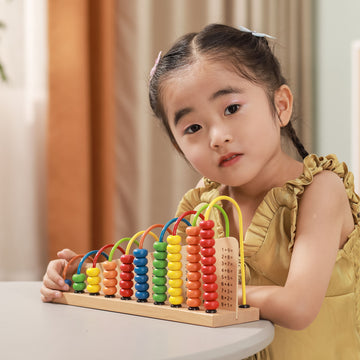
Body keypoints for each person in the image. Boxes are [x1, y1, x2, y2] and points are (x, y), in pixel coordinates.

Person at [41, 24, 360, 359]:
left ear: (280, 106)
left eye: (232, 108)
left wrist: (213, 292)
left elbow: (298, 306)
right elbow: (171, 276)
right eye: (193, 127)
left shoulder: (320, 190)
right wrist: (82, 270)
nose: (217, 137)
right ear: (179, 148)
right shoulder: (204, 203)